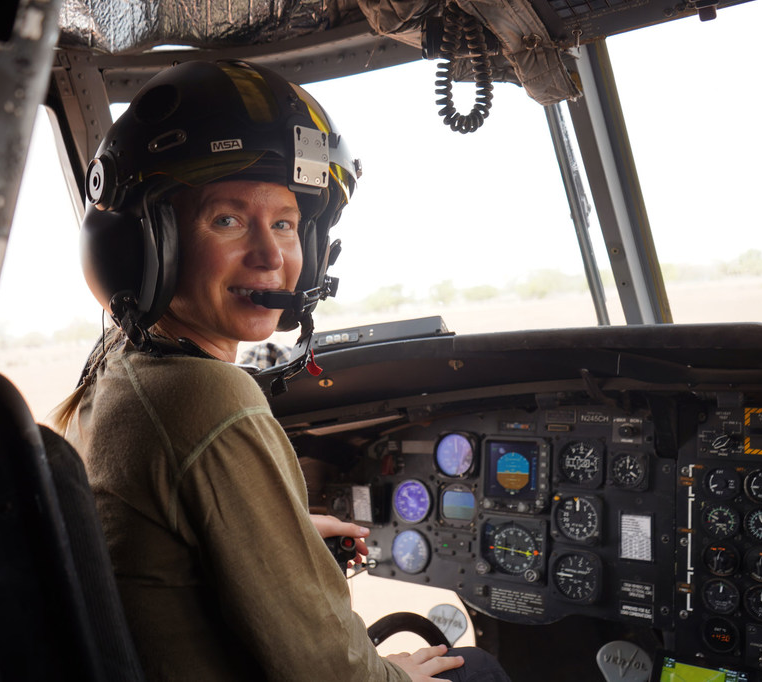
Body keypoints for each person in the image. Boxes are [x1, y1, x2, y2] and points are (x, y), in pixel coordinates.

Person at [51, 59, 510, 682]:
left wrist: (285, 533)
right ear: (149, 246)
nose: (270, 256)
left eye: (286, 223)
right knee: (475, 667)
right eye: (228, 220)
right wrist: (393, 670)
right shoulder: (206, 395)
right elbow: (329, 673)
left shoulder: (118, 379)